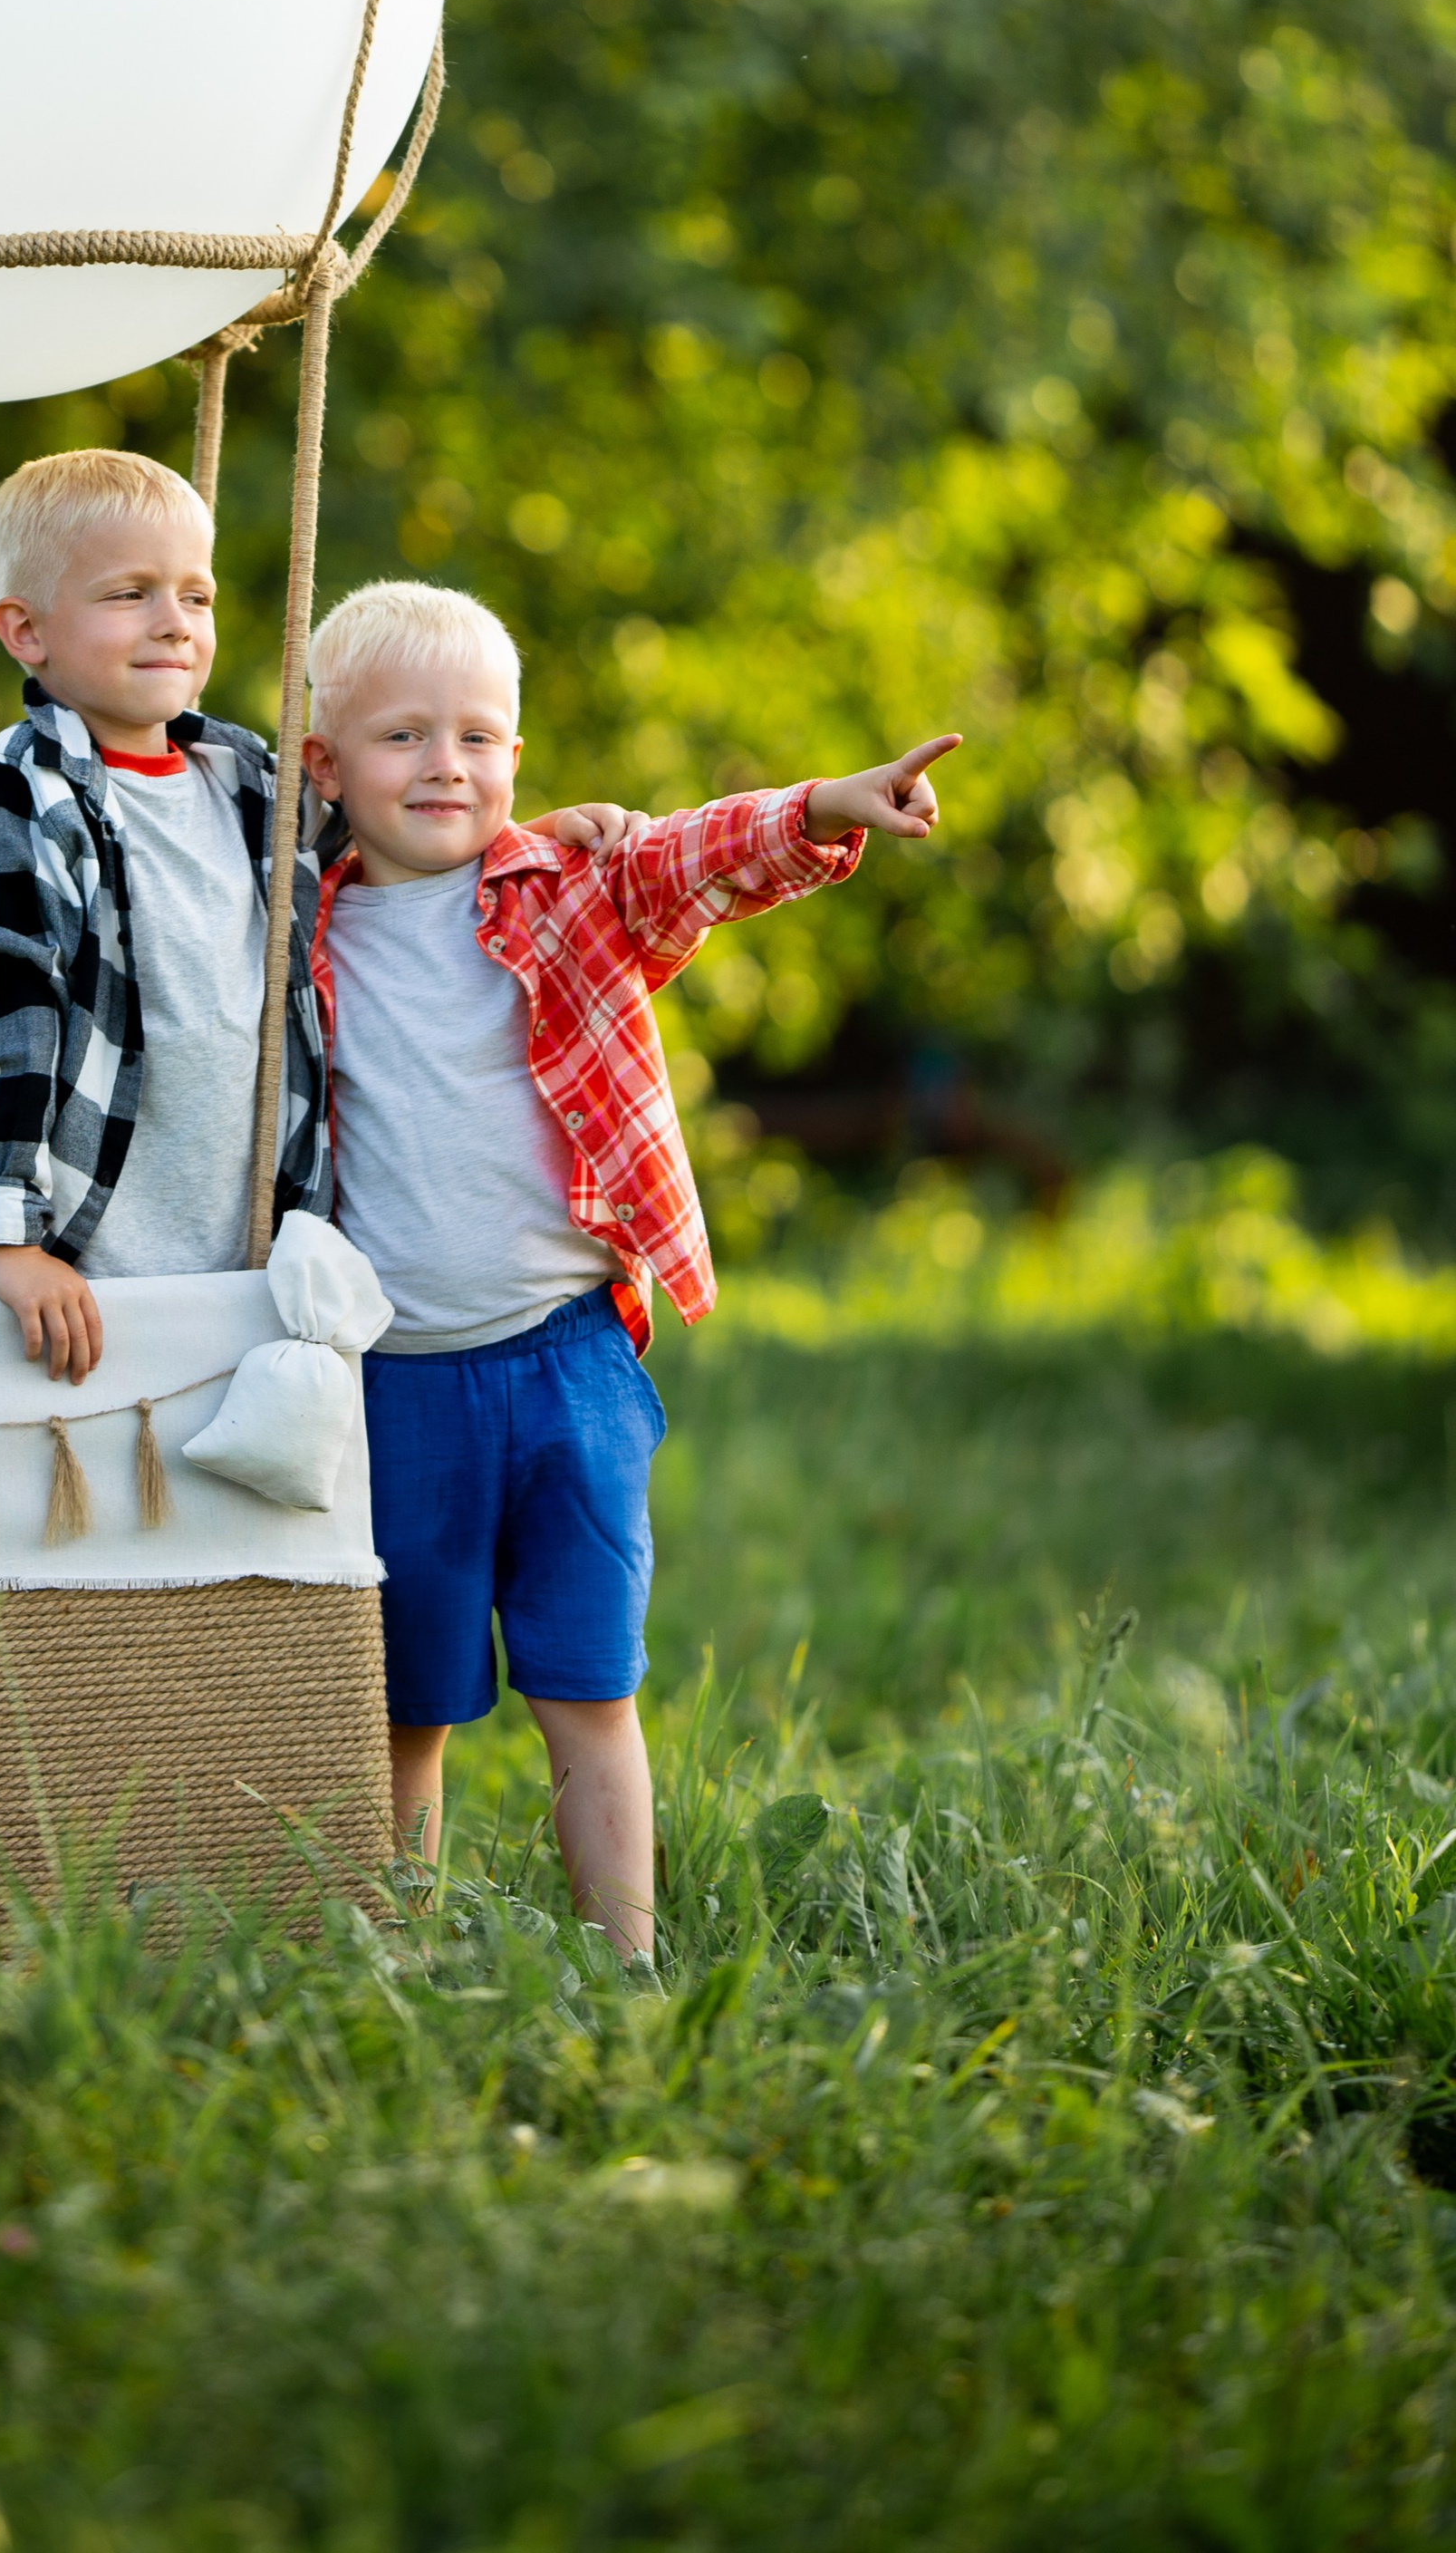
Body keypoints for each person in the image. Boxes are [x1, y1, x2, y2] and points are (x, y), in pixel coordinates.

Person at [301, 576, 959, 1962]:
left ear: (519, 762)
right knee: (402, 1706)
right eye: (405, 738)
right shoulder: (295, 931)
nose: (447, 767)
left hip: (566, 1360)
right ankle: (392, 1956)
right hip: (393, 1383)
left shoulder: (564, 893)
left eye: (479, 739)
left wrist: (829, 805)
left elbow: (692, 858)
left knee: (588, 1685)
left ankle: (627, 1964)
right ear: (326, 767)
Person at [0, 450, 640, 1377]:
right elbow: (12, 1008)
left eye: (196, 596)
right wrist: (6, 1238)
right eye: (129, 595)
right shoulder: (23, 798)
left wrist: (515, 837)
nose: (172, 624)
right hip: (100, 1238)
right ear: (26, 630)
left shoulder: (241, 777)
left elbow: (383, 844)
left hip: (261, 1244)